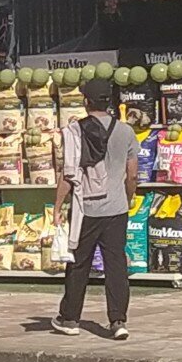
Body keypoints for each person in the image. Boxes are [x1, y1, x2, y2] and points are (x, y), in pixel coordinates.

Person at [52, 77, 138, 339]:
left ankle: (70, 319)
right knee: (116, 265)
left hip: (85, 209)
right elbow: (132, 174)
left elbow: (68, 175)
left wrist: (57, 207)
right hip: (117, 209)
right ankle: (118, 321)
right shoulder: (126, 132)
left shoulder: (75, 131)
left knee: (78, 264)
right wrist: (127, 197)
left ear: (86, 101)